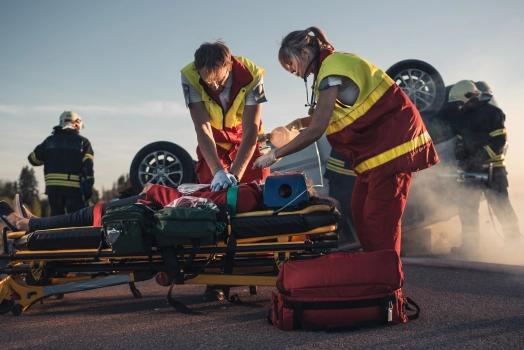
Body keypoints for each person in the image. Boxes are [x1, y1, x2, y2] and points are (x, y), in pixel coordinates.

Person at [253, 27, 439, 256]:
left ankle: (388, 285)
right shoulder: (329, 69)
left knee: (378, 219)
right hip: (375, 154)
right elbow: (328, 116)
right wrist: (298, 123)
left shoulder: (332, 69)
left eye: (289, 63)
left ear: (303, 52)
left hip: (392, 149)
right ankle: (375, 273)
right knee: (359, 210)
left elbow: (318, 129)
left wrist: (275, 155)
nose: (290, 70)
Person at [181, 40, 270, 192]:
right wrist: (218, 171)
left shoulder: (253, 75)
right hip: (214, 137)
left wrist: (235, 176)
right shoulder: (189, 76)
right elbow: (202, 129)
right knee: (214, 192)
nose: (214, 87)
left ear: (229, 65)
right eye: (208, 83)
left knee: (258, 189)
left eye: (218, 80)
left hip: (246, 134)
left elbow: (251, 131)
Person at [446, 80, 521, 256]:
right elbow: (459, 137)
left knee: (502, 208)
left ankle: (514, 246)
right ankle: (470, 248)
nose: (458, 106)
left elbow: (499, 141)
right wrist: (460, 148)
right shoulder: (462, 117)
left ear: (469, 97)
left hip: (493, 170)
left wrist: (480, 157)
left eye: (459, 102)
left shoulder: (493, 113)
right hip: (472, 171)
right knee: (466, 207)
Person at [28, 110, 94, 216]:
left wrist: (49, 156)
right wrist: (89, 186)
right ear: (77, 123)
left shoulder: (49, 141)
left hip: (53, 189)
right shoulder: (83, 142)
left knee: (56, 220)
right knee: (77, 219)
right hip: (74, 189)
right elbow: (88, 166)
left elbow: (33, 159)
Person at [323, 149, 358, 249]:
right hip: (345, 175)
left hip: (343, 174)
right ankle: (320, 249)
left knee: (341, 214)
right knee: (339, 214)